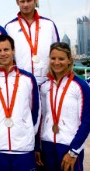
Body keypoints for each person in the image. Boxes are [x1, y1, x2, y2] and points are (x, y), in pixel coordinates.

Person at [0, 34, 40, 170]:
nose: (3, 53)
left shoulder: (28, 78)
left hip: (23, 148)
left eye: (6, 49)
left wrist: (28, 135)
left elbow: (36, 111)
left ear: (13, 50)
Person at [37, 42, 90, 171]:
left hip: (69, 146)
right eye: (53, 58)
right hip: (47, 145)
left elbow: (86, 121)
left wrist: (74, 151)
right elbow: (41, 118)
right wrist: (38, 147)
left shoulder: (80, 86)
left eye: (61, 58)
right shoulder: (44, 87)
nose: (57, 62)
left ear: (69, 60)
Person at [5, 0, 60, 85]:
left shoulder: (49, 24)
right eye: (22, 1)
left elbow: (58, 52)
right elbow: (7, 56)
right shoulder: (10, 27)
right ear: (17, 2)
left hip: (47, 82)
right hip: (21, 83)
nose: (25, 5)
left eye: (29, 0)